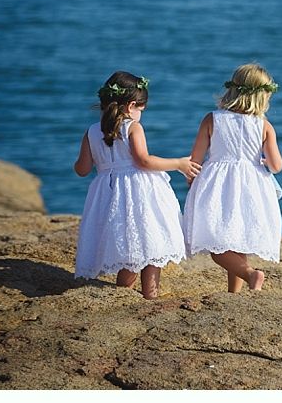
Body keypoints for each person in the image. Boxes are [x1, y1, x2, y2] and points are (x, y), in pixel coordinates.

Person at [73, 71, 201, 299]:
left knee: (126, 245)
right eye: (141, 108)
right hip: (138, 191)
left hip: (108, 193)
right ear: (131, 105)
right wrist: (179, 163)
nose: (141, 113)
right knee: (150, 242)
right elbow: (143, 160)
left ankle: (123, 295)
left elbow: (82, 170)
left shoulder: (92, 132)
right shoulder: (133, 127)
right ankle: (150, 296)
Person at [183, 63, 282, 292]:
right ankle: (235, 292)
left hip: (217, 185)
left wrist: (192, 181)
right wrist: (265, 163)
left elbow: (195, 158)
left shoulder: (212, 119)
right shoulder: (264, 126)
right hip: (252, 186)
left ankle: (250, 275)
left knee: (218, 246)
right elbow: (277, 165)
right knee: (238, 241)